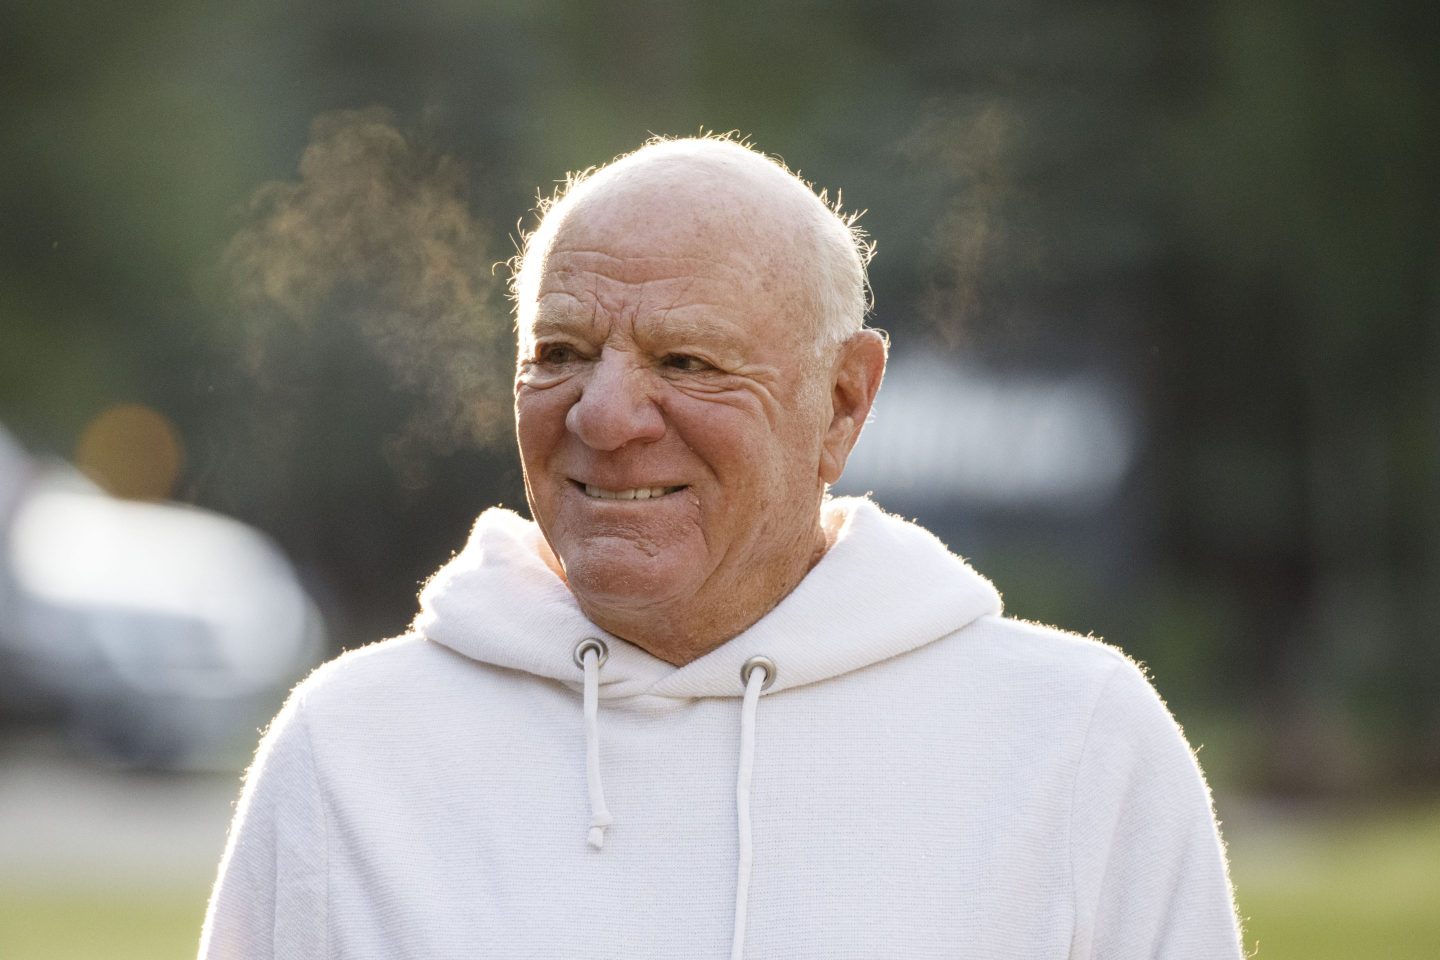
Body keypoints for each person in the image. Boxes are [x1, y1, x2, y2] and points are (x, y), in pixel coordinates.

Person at [199, 136, 1243, 959]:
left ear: (842, 402)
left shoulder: (1075, 743)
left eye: (686, 360)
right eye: (560, 353)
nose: (603, 416)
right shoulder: (349, 754)